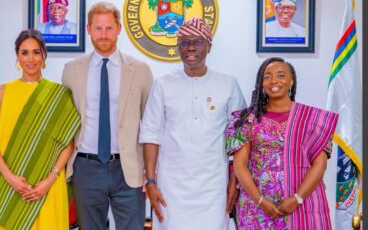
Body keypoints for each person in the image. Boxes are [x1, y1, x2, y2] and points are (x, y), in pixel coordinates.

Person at [140, 17, 246, 230]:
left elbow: (240, 139)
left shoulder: (228, 83)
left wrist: (235, 182)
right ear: (178, 47)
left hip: (214, 186)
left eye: (197, 42)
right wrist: (151, 182)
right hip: (171, 185)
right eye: (184, 42)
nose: (190, 48)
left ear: (209, 46)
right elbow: (151, 134)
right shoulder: (163, 84)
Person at [61, 2, 153, 230]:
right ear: (89, 29)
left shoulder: (140, 70)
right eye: (98, 28)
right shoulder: (71, 70)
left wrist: (151, 173)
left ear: (119, 28)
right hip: (86, 167)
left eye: (109, 28)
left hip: (128, 168)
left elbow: (151, 125)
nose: (104, 34)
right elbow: (63, 123)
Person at [0, 29, 80, 230]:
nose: (31, 58)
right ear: (17, 56)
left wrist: (49, 180)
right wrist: (12, 180)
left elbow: (68, 146)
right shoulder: (3, 92)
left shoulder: (59, 95)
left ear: (44, 55)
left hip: (47, 188)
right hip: (9, 185)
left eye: (36, 52)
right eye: (24, 52)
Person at [225, 57, 339, 229]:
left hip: (300, 204)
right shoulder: (247, 120)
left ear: (291, 80)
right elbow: (240, 166)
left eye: (280, 75)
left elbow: (320, 164)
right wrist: (261, 201)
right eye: (267, 76)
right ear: (261, 83)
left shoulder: (312, 120)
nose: (274, 81)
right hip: (256, 207)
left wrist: (297, 198)